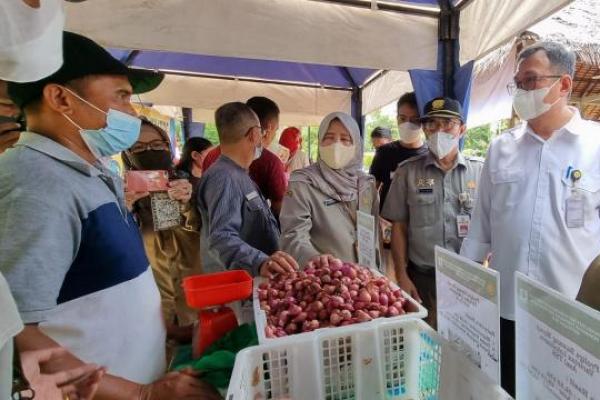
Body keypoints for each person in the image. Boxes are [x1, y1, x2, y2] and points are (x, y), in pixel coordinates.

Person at [0, 31, 219, 399]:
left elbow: (108, 279)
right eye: (121, 96)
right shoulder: (34, 182)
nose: (131, 113)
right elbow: (16, 330)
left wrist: (164, 328)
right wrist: (139, 394)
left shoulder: (93, 172)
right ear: (60, 98)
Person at [460, 41, 600, 397]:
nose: (520, 91)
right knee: (506, 390)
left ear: (564, 85)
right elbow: (480, 229)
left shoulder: (596, 146)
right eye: (517, 83)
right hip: (507, 311)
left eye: (531, 81)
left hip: (571, 317)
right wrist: (463, 295)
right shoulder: (501, 149)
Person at [382, 97, 483, 329]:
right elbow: (399, 227)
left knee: (465, 346)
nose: (439, 130)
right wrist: (401, 275)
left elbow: (493, 227)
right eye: (432, 124)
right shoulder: (407, 172)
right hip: (422, 280)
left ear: (462, 128)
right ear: (424, 130)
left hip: (468, 282)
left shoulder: (481, 172)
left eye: (447, 123)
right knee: (424, 344)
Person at [197, 101, 299, 278]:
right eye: (262, 131)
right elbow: (221, 237)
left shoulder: (238, 173)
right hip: (239, 285)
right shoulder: (224, 178)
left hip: (254, 278)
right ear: (254, 134)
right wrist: (259, 262)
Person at [122, 118, 203, 334]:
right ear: (128, 154)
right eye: (138, 148)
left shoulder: (185, 184)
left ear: (168, 146)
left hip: (192, 301)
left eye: (157, 145)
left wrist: (187, 204)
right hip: (151, 308)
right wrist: (124, 208)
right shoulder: (118, 194)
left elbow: (197, 231)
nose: (149, 151)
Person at [280, 112, 384, 270]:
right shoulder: (303, 183)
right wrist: (314, 260)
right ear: (320, 142)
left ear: (356, 145)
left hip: (366, 280)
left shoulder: (366, 185)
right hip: (326, 283)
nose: (336, 144)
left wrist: (379, 273)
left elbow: (374, 236)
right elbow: (293, 235)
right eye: (329, 137)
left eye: (345, 139)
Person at [203, 96, 288, 216]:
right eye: (276, 130)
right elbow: (280, 207)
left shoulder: (210, 156)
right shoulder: (270, 162)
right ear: (268, 128)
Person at [369, 92, 428, 208]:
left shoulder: (431, 155)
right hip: (387, 223)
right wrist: (374, 216)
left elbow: (432, 191)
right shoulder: (384, 153)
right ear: (397, 119)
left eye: (414, 119)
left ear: (423, 122)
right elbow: (370, 191)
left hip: (419, 222)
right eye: (403, 118)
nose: (407, 124)